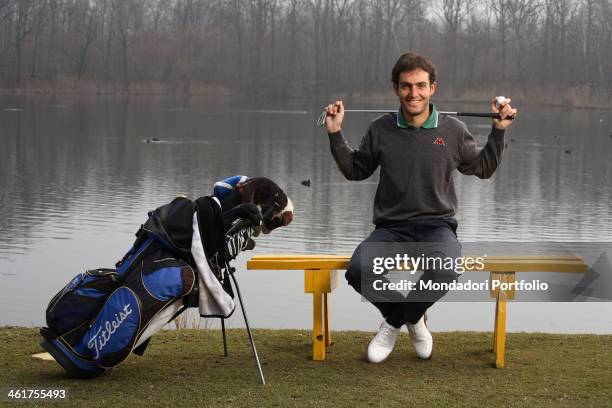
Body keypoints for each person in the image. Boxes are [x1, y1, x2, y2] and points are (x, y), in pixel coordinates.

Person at [323, 52, 517, 363]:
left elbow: (483, 167)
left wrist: (499, 130)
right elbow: (356, 169)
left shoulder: (452, 130)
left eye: (421, 86)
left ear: (432, 88)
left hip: (436, 227)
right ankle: (407, 318)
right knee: (359, 270)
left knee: (447, 268)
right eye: (406, 86)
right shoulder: (380, 129)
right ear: (395, 89)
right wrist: (335, 134)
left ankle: (400, 321)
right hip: (390, 228)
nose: (414, 93)